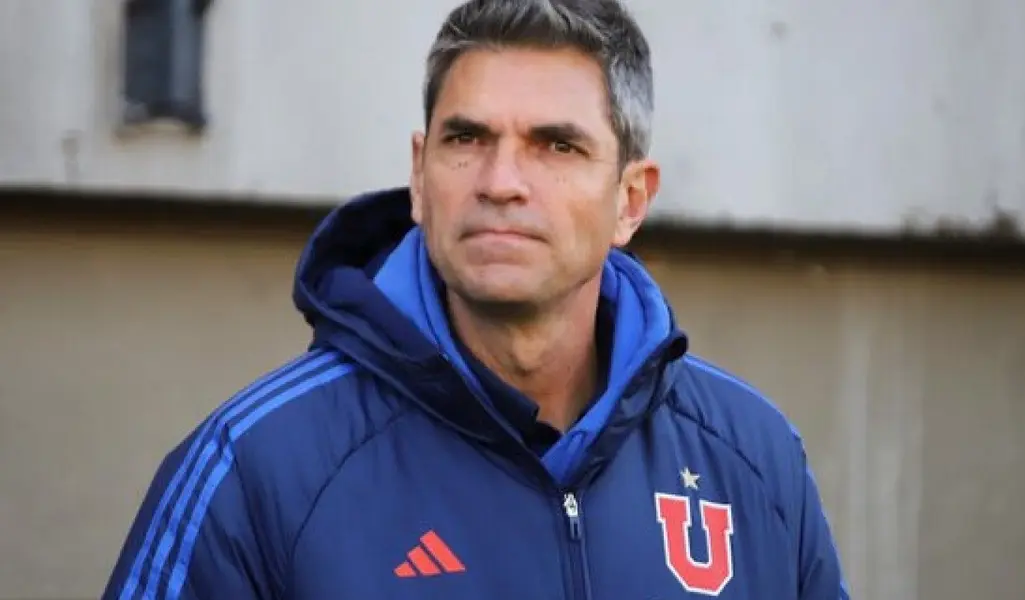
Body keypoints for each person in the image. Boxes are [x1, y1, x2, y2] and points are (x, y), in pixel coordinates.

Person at [101, 0, 850, 598]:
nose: (501, 182)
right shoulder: (254, 468)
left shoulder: (753, 460)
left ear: (630, 199)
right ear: (419, 175)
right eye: (466, 139)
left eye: (557, 146)